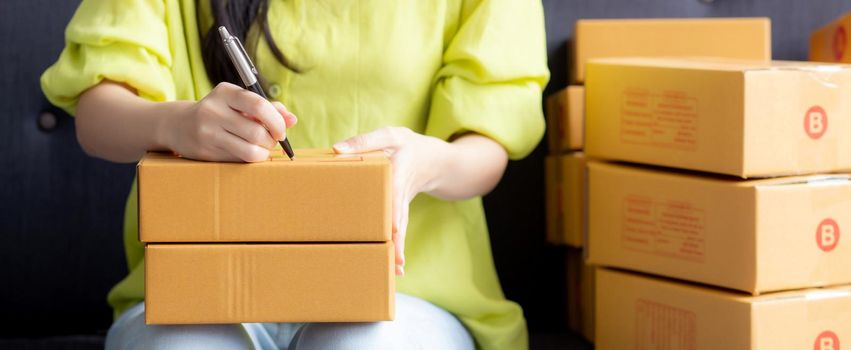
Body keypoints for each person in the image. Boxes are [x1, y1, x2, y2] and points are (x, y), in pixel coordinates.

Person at [41, 0, 548, 349]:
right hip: (197, 288)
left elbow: (488, 145)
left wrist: (422, 162)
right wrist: (177, 123)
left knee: (362, 342)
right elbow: (97, 116)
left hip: (411, 290)